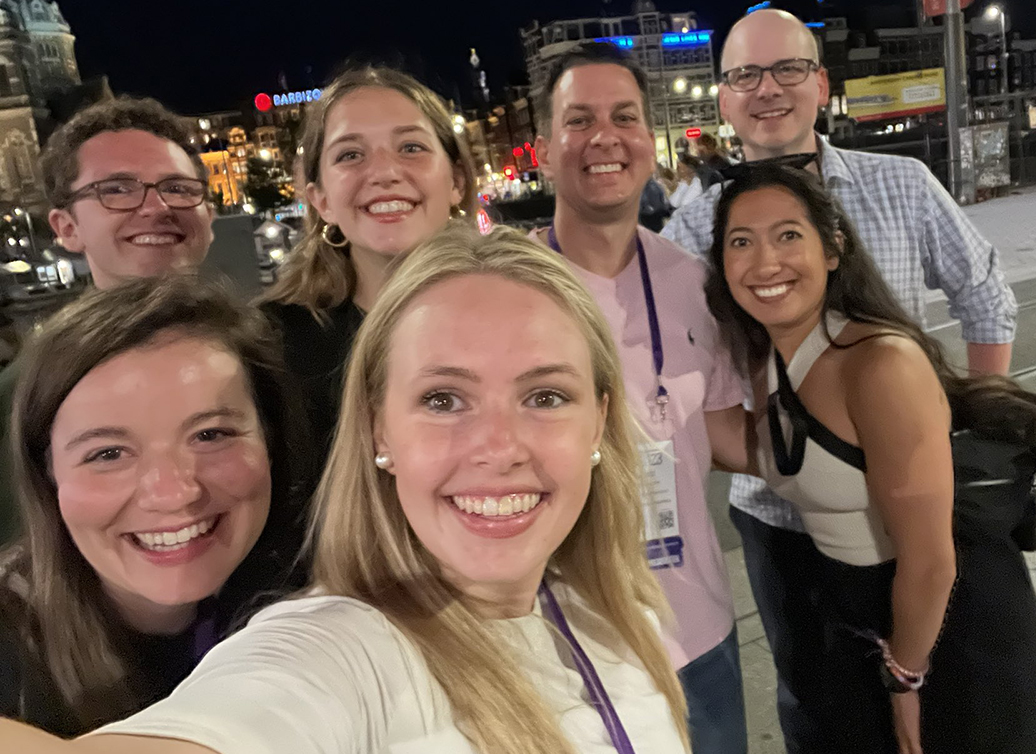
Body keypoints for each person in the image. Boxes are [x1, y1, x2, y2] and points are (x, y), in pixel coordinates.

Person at [0, 223, 691, 752]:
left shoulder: (623, 613)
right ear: (376, 430)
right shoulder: (338, 648)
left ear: (600, 418)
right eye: (445, 400)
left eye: (545, 395)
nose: (499, 447)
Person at [661, 9, 1019, 749]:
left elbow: (986, 295)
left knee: (944, 702)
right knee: (819, 704)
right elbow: (661, 369)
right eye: (744, 76)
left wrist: (969, 433)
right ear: (724, 99)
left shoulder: (902, 184)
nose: (768, 90)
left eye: (788, 69)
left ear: (820, 84)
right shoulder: (693, 229)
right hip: (780, 506)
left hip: (910, 510)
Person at [708, 165, 1036, 753]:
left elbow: (932, 562)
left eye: (787, 235)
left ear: (832, 250)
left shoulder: (878, 364)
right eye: (740, 242)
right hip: (867, 625)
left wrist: (905, 681)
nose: (765, 262)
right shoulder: (772, 359)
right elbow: (766, 454)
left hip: (950, 632)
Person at [531, 42, 751, 754]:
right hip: (565, 652)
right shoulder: (511, 289)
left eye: (624, 116)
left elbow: (722, 437)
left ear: (648, 143)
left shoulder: (690, 278)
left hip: (700, 636)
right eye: (579, 119)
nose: (605, 136)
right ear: (544, 148)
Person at [0, 275, 309, 736]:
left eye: (211, 435)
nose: (174, 492)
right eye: (107, 454)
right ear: (47, 475)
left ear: (271, 440)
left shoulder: (322, 590)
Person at [0, 96, 218, 546]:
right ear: (66, 228)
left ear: (209, 217)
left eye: (177, 187)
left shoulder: (272, 353)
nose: (155, 207)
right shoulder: (24, 396)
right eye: (116, 189)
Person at [259, 66, 477, 455]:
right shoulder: (271, 350)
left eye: (411, 147)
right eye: (350, 154)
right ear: (321, 199)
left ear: (457, 181)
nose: (384, 172)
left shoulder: (516, 319)